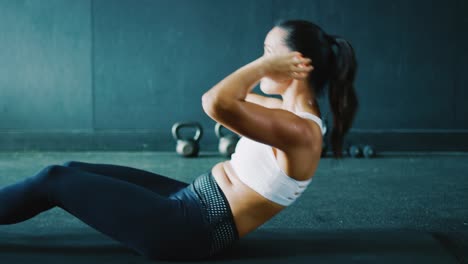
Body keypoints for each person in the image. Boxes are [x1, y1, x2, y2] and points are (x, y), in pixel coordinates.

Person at [0, 19, 358, 261]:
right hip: (193, 200)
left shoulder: (300, 131)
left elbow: (214, 102)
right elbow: (228, 94)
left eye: (267, 52)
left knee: (53, 179)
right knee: (70, 168)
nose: (260, 60)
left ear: (296, 63)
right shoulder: (285, 114)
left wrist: (265, 68)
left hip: (190, 229)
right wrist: (267, 65)